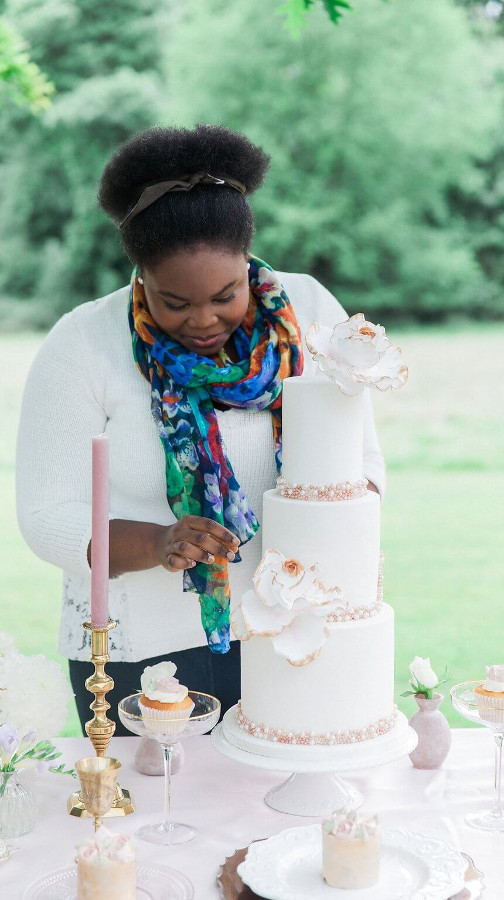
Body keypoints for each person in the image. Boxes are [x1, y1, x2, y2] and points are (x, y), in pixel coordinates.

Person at [16, 124, 385, 736]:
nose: (204, 320)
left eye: (225, 294)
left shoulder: (312, 312)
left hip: (293, 634)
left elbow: (364, 467)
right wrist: (159, 543)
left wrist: (330, 528)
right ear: (139, 275)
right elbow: (46, 513)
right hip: (139, 651)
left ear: (247, 262)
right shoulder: (85, 342)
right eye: (175, 303)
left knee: (279, 822)